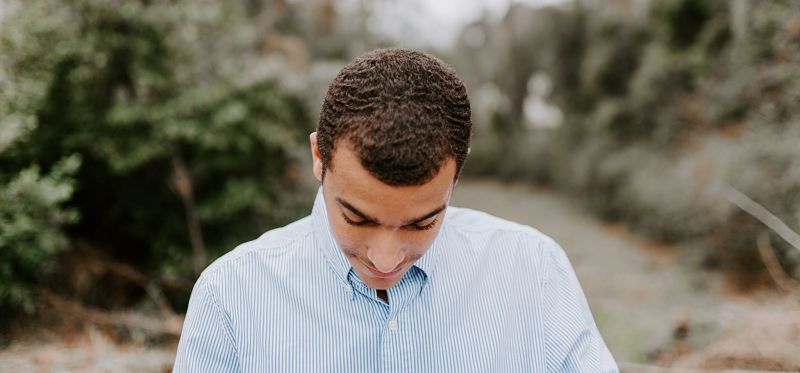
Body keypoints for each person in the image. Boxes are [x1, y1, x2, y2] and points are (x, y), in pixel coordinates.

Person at [174, 48, 618, 372]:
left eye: (422, 223)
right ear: (318, 157)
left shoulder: (534, 270)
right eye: (357, 218)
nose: (385, 260)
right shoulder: (231, 295)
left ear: (458, 174)